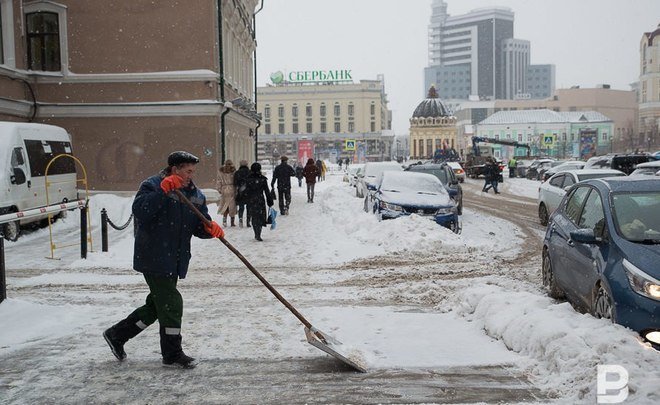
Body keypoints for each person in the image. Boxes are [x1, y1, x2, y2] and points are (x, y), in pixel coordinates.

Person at [103, 151, 224, 369]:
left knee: (158, 306)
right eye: (187, 171)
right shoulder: (152, 185)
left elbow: (198, 225)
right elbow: (141, 211)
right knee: (172, 302)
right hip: (154, 256)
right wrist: (162, 191)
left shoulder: (194, 194)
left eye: (192, 171)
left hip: (176, 258)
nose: (190, 175)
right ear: (174, 169)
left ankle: (117, 335)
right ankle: (172, 353)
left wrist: (210, 228)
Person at [245, 162, 274, 241]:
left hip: (251, 200)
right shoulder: (262, 179)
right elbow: (267, 191)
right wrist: (270, 201)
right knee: (260, 216)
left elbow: (246, 191)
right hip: (260, 199)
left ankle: (256, 233)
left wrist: (245, 199)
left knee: (254, 217)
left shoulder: (248, 179)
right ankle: (259, 233)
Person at [217, 160, 237, 227]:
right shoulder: (233, 171)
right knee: (232, 206)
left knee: (225, 206)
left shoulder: (221, 171)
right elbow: (236, 181)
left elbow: (219, 181)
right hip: (232, 189)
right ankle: (232, 222)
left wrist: (219, 189)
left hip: (224, 189)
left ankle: (224, 220)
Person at [233, 160, 250, 228]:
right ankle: (248, 221)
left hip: (241, 191)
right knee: (249, 207)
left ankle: (240, 218)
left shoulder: (237, 173)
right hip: (249, 192)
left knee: (241, 207)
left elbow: (235, 183)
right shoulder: (250, 172)